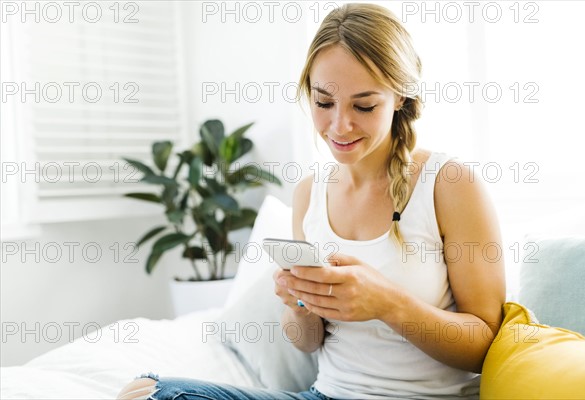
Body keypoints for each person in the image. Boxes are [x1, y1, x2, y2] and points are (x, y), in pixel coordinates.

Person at [117, 3, 505, 399]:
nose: (339, 126)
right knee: (148, 393)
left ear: (400, 96)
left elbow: (484, 346)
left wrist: (387, 303)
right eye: (323, 103)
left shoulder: (450, 184)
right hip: (327, 394)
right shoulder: (310, 193)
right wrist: (301, 304)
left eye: (364, 105)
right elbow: (307, 341)